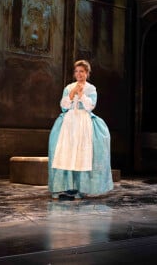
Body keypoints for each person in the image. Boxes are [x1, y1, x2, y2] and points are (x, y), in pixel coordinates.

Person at [48, 59, 114, 199]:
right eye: (77, 71)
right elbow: (64, 106)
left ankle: (80, 188)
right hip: (69, 122)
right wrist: (72, 93)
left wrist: (81, 94)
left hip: (84, 121)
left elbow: (90, 106)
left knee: (81, 154)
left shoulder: (91, 88)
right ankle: (64, 186)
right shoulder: (69, 87)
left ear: (87, 73)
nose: (79, 74)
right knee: (65, 153)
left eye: (82, 71)